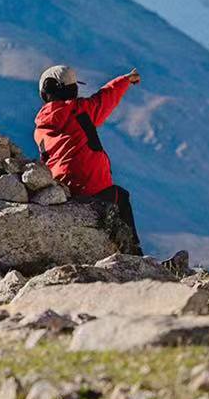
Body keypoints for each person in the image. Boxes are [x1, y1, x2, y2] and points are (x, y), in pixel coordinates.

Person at [32, 62, 143, 256]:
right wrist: (125, 80)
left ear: (44, 94)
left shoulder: (40, 130)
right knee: (121, 198)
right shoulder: (82, 111)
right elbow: (106, 97)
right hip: (92, 189)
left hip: (64, 191)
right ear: (73, 90)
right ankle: (134, 255)